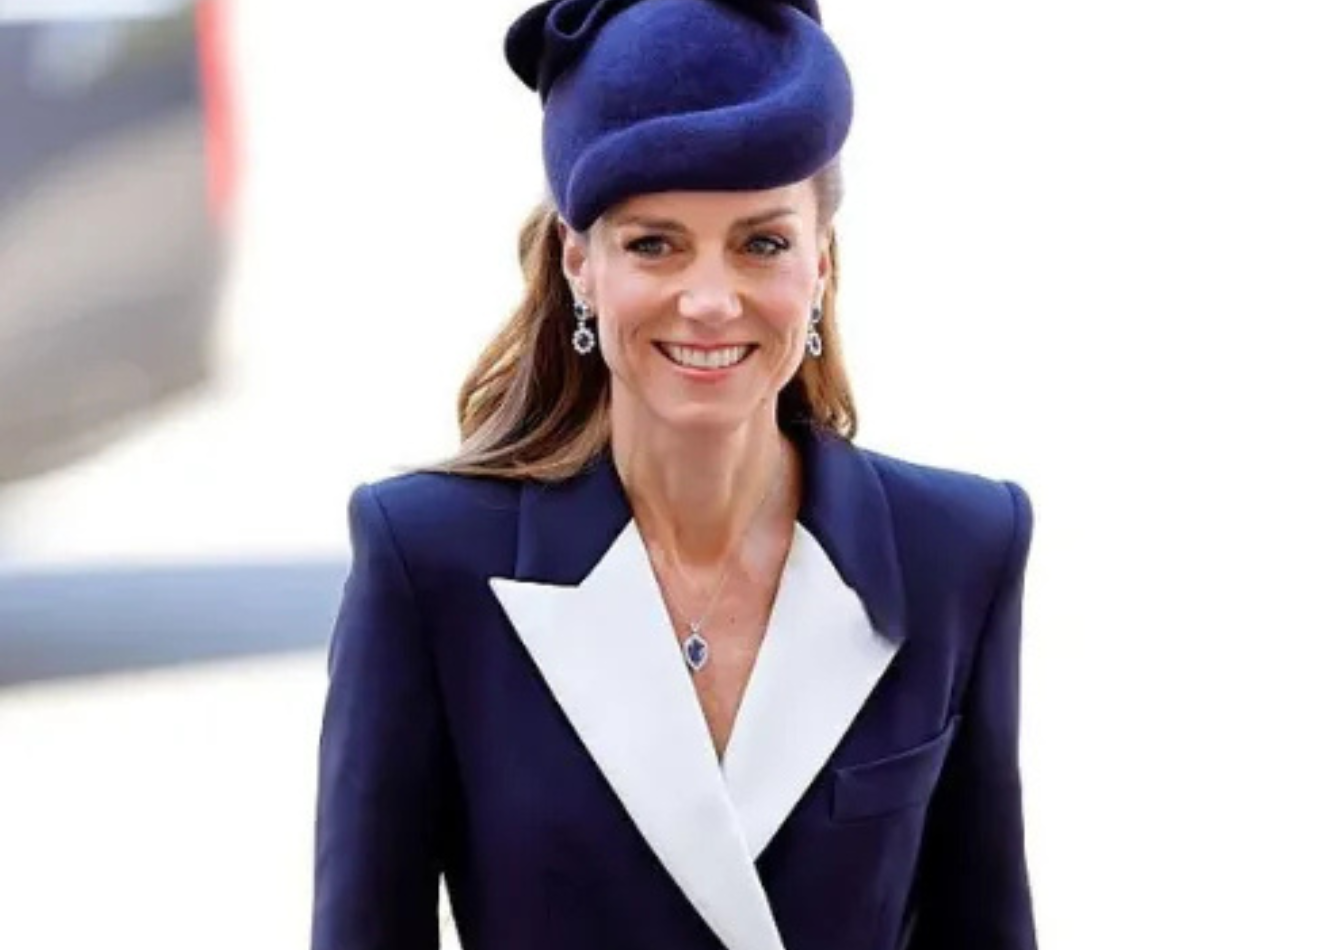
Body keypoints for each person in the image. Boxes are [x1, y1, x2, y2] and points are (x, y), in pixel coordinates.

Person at [311, 1, 1038, 948]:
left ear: (820, 262)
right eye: (654, 243)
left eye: (761, 243)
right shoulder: (429, 560)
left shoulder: (957, 547)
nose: (708, 299)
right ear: (580, 263)